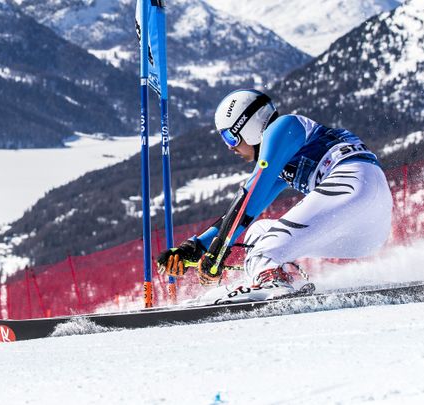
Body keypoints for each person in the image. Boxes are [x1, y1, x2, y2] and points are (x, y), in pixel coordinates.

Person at [157, 89, 393, 303]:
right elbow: (247, 210)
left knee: (266, 248)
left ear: (247, 126)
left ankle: (271, 282)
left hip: (353, 183)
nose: (230, 147)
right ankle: (273, 277)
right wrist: (196, 247)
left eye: (230, 137)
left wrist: (218, 249)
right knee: (259, 233)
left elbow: (250, 193)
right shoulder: (284, 160)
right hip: (367, 230)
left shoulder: (284, 126)